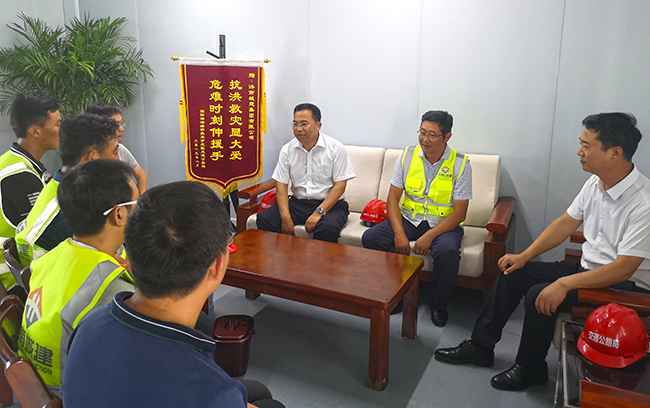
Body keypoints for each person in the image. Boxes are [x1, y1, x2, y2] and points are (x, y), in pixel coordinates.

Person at [434, 113, 650, 391]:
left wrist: (563, 284)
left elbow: (624, 268)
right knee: (513, 272)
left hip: (625, 287)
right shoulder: (595, 183)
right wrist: (523, 256)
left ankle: (531, 369)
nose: (579, 151)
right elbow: (564, 224)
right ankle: (480, 346)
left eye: (586, 145)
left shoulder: (643, 203)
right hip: (588, 270)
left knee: (539, 293)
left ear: (615, 153)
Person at [62, 181, 284, 408]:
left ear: (129, 259)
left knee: (257, 391)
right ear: (217, 266)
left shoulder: (89, 324)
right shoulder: (212, 393)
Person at [18, 160, 138, 396]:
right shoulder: (112, 289)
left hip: (38, 382)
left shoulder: (54, 255)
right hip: (73, 393)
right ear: (119, 214)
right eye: (136, 203)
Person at [362, 110, 472, 327]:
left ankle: (438, 305)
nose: (425, 139)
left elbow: (460, 213)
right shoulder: (408, 156)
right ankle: (397, 293)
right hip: (409, 219)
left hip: (442, 224)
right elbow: (392, 198)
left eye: (432, 135)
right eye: (422, 132)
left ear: (447, 137)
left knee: (448, 252)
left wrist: (429, 236)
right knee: (372, 238)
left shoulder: (460, 164)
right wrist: (399, 234)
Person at [15, 113, 120, 265]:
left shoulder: (56, 187)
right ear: (92, 157)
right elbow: (110, 262)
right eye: (115, 152)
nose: (118, 160)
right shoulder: (74, 212)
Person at [256, 103, 355, 243]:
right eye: (295, 124)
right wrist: (285, 216)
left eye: (304, 124)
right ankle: (283, 256)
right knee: (265, 218)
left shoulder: (335, 148)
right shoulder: (287, 149)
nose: (298, 129)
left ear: (318, 125)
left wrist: (318, 213)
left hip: (331, 206)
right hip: (298, 203)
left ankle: (318, 259)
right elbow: (281, 184)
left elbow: (340, 186)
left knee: (327, 228)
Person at [85, 103, 148, 194]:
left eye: (121, 123)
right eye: (115, 125)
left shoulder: (121, 149)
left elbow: (142, 176)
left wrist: (139, 201)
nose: (121, 129)